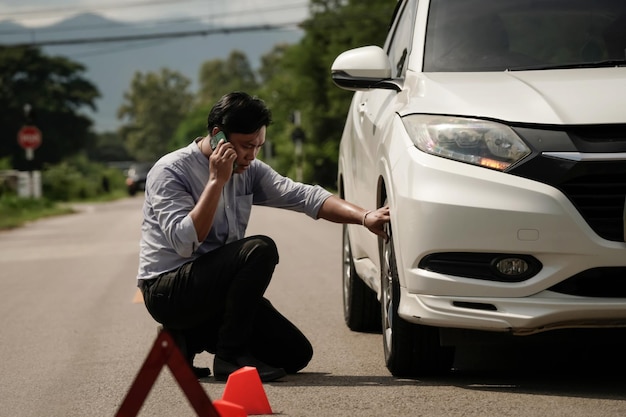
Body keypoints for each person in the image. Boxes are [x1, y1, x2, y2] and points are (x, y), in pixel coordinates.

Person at [137, 91, 390, 382]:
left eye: (258, 146)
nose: (252, 155)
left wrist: (364, 217)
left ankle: (184, 339)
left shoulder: (249, 170)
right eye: (246, 146)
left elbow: (303, 195)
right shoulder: (170, 171)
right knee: (259, 250)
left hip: (214, 288)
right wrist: (217, 181)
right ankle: (229, 357)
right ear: (219, 136)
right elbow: (184, 243)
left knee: (294, 353)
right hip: (168, 290)